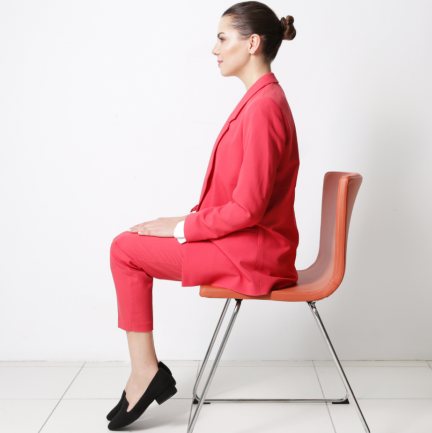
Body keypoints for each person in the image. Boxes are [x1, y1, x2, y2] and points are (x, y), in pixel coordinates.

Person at [106, 2, 299, 429]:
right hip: (248, 244)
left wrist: (182, 228)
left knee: (125, 250)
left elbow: (248, 208)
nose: (214, 49)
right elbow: (244, 200)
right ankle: (146, 372)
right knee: (132, 242)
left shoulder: (264, 106)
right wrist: (181, 222)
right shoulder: (261, 99)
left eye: (222, 38)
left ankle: (145, 373)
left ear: (253, 43)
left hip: (252, 253)